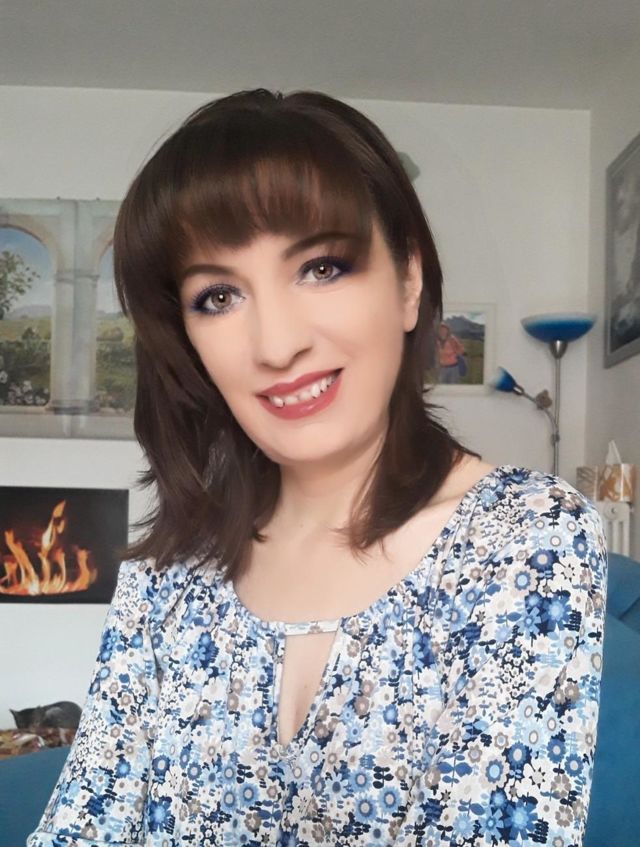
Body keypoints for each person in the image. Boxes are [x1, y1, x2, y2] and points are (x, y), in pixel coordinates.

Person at [27, 88, 607, 846]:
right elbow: (81, 823)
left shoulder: (527, 539)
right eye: (218, 296)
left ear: (408, 281)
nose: (276, 344)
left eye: (322, 267)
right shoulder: (168, 572)